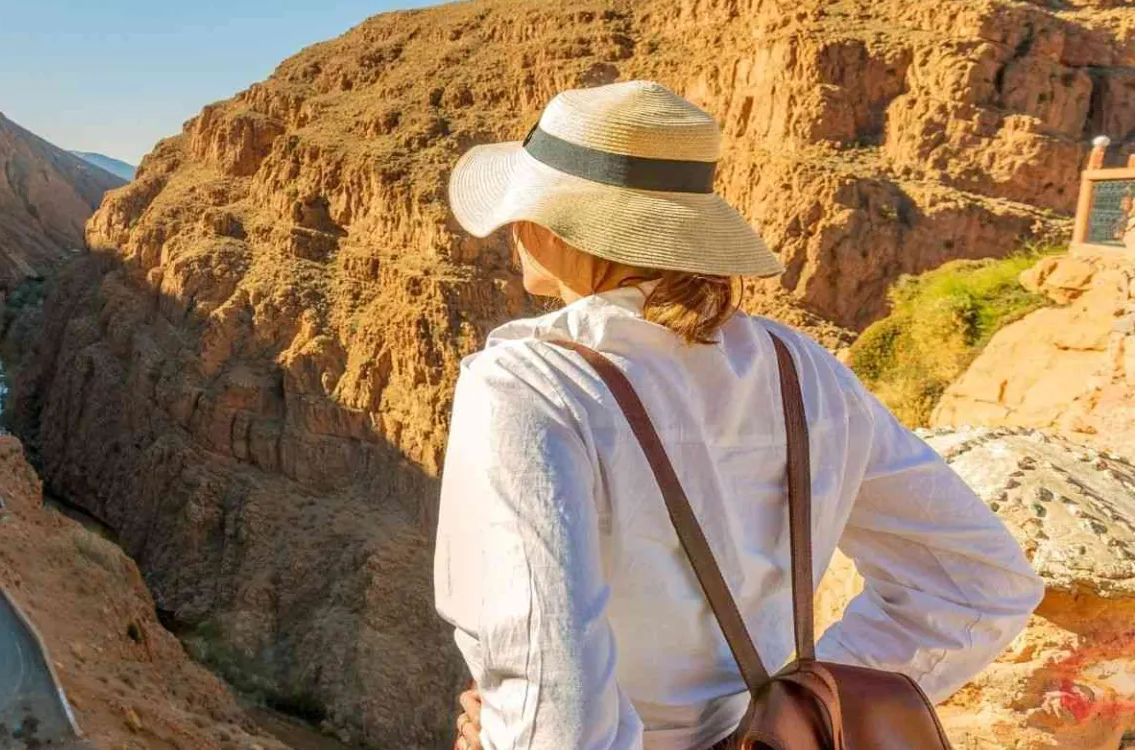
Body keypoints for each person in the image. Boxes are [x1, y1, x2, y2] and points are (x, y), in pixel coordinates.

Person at [433, 81, 1043, 750]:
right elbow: (979, 584)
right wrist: (799, 712)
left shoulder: (531, 384)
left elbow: (555, 705)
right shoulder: (801, 369)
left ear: (555, 225)